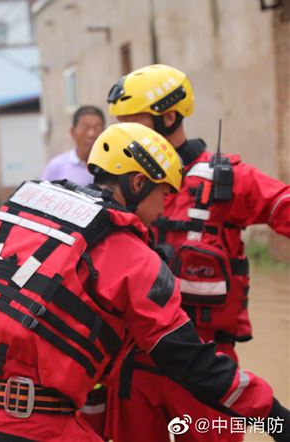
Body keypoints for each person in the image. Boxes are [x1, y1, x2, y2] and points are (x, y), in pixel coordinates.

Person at [0, 122, 290, 441]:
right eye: (163, 194)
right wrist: (274, 417)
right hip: (33, 426)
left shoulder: (20, 217)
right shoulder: (132, 254)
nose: (165, 208)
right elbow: (191, 361)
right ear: (137, 182)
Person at [101, 64, 290, 442]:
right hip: (134, 364)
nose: (124, 132)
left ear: (168, 116)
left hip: (209, 366)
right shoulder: (121, 183)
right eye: (120, 122)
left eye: (133, 121)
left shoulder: (228, 179)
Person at [40, 105, 105, 186]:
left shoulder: (112, 166)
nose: (91, 134)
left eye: (97, 128)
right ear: (73, 132)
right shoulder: (56, 166)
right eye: (85, 128)